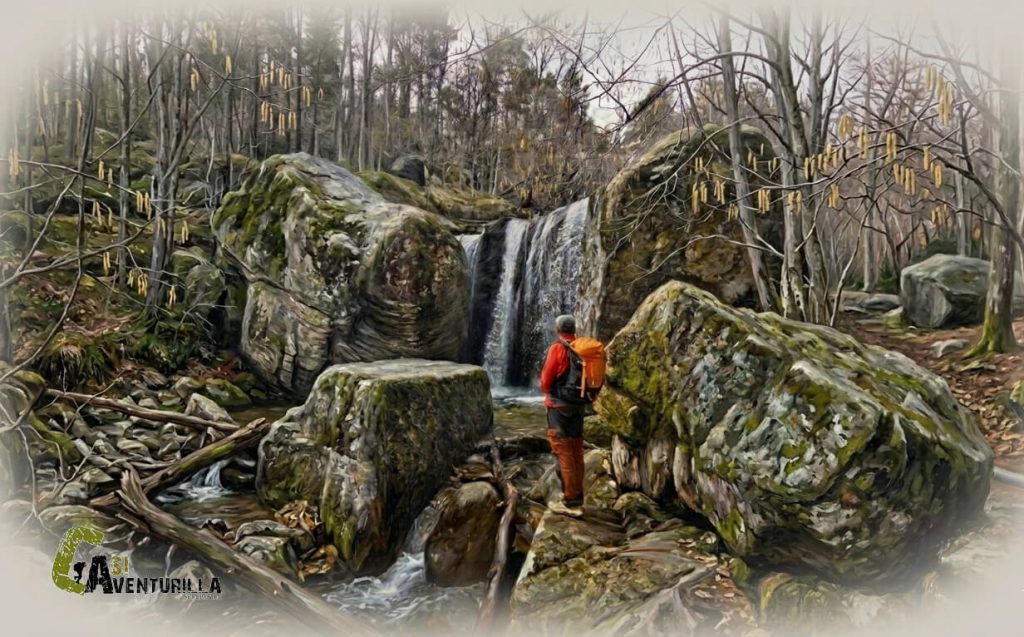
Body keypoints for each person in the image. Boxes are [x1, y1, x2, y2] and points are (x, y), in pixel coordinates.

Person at [539, 314, 586, 518]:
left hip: (559, 407)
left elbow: (546, 381)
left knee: (563, 450)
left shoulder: (558, 348)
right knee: (576, 449)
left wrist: (548, 391)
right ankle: (578, 494)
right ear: (573, 330)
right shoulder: (582, 348)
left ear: (558, 329)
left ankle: (570, 499)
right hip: (578, 407)